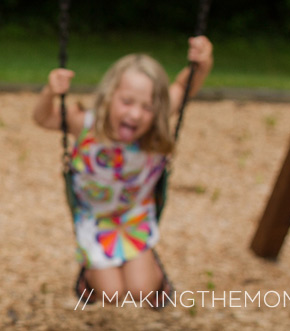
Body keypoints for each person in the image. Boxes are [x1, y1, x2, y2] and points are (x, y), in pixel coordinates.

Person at [32, 36, 214, 307]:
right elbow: (43, 118)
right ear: (109, 96)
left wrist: (203, 63)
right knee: (112, 294)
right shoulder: (87, 124)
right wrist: (50, 92)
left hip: (134, 215)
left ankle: (153, 273)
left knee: (141, 292)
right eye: (127, 101)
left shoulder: (153, 128)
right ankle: (90, 276)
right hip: (94, 217)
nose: (136, 114)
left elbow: (182, 87)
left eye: (147, 107)